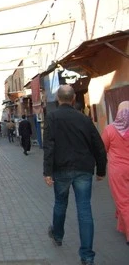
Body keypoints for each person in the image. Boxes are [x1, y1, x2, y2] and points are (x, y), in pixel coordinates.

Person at [43, 85, 107, 265]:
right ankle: (87, 256)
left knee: (60, 203)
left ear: (58, 99)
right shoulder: (84, 119)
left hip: (61, 169)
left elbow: (49, 146)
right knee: (84, 210)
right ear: (73, 100)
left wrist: (47, 172)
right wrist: (101, 170)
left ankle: (57, 235)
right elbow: (99, 147)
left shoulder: (52, 117)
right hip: (83, 169)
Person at [102, 101, 129, 245]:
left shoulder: (110, 129)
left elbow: (103, 148)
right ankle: (122, 226)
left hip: (118, 170)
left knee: (123, 201)